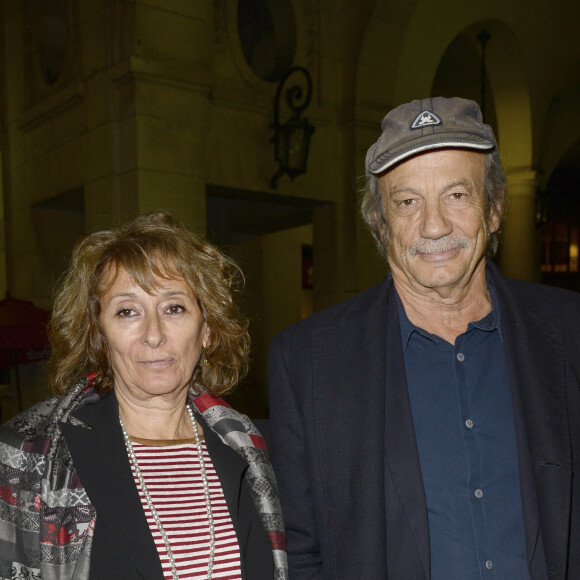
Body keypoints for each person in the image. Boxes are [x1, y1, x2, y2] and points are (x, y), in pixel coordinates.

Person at [268, 97, 580, 579]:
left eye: (457, 195)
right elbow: (301, 553)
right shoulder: (308, 361)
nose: (434, 226)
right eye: (407, 201)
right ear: (380, 223)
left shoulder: (568, 330)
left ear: (494, 209)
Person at [0, 212, 288, 580]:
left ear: (208, 330)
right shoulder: (28, 455)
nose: (154, 334)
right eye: (127, 311)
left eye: (174, 308)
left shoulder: (248, 447)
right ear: (100, 337)